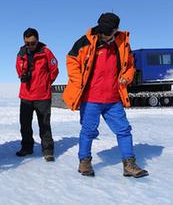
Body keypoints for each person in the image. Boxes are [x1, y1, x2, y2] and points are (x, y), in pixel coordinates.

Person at [63, 12, 149, 178]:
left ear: (116, 30)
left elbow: (131, 65)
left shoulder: (122, 43)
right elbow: (71, 59)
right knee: (88, 131)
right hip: (91, 99)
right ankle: (84, 162)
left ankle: (129, 164)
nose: (104, 35)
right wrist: (78, 78)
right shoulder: (85, 42)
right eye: (102, 31)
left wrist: (127, 77)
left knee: (124, 130)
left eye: (108, 32)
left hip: (113, 99)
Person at [15, 28, 59, 162]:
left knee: (44, 124)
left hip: (42, 96)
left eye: (32, 43)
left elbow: (54, 70)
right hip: (26, 95)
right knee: (25, 124)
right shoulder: (21, 53)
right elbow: (18, 68)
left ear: (37, 40)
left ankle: (48, 150)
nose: (30, 46)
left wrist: (45, 83)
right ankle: (27, 147)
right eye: (27, 43)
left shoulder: (46, 52)